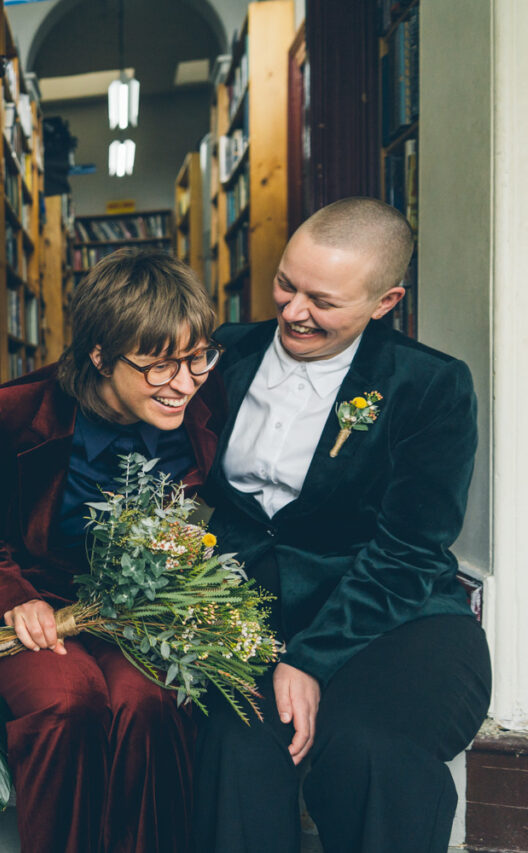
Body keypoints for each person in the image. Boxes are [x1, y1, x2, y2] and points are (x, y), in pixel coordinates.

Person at [192, 197, 492, 853]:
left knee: (369, 749)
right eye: (285, 285)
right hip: (254, 614)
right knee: (234, 744)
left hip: (400, 616)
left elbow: (411, 550)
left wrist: (311, 659)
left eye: (322, 301)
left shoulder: (429, 385)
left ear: (385, 302)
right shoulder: (224, 355)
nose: (294, 311)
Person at [0, 249, 225, 853]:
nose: (183, 384)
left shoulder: (207, 407)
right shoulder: (15, 411)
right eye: (159, 366)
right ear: (100, 355)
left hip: (143, 614)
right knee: (66, 699)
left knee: (148, 701)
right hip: (37, 605)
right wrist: (15, 600)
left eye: (196, 359)